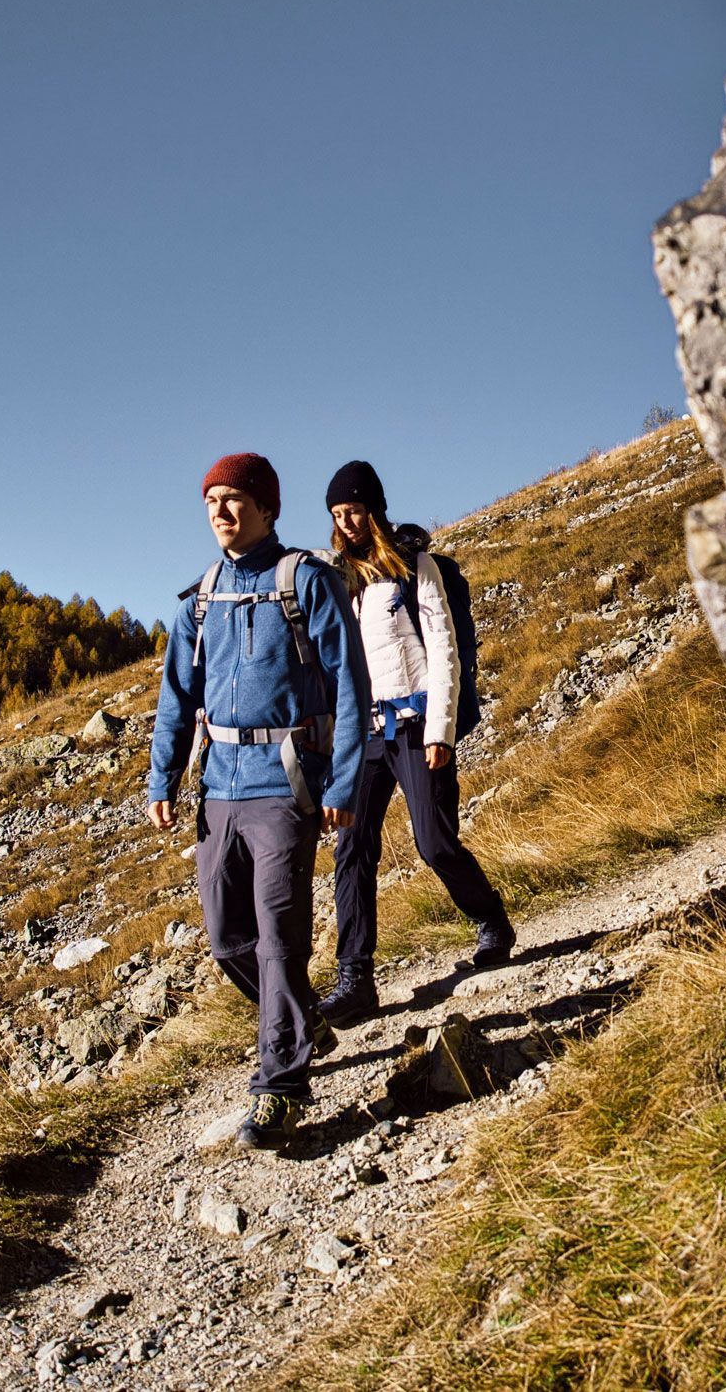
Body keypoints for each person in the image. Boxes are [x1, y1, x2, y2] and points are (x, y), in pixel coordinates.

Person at [146, 452, 369, 1148]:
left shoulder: (306, 582)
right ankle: (305, 1020)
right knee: (224, 941)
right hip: (217, 791)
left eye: (235, 498)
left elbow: (352, 688)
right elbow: (175, 702)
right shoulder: (200, 603)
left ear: (268, 507)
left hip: (285, 785)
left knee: (278, 936)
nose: (220, 510)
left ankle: (280, 1086)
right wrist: (162, 781)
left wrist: (343, 781)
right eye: (211, 499)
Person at [320, 459, 513, 1025]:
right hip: (366, 735)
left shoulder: (414, 567)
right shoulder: (341, 582)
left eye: (353, 510)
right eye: (337, 514)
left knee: (434, 843)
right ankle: (356, 978)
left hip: (416, 725)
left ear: (374, 508)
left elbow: (444, 650)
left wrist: (441, 730)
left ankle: (491, 920)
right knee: (352, 849)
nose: (347, 522)